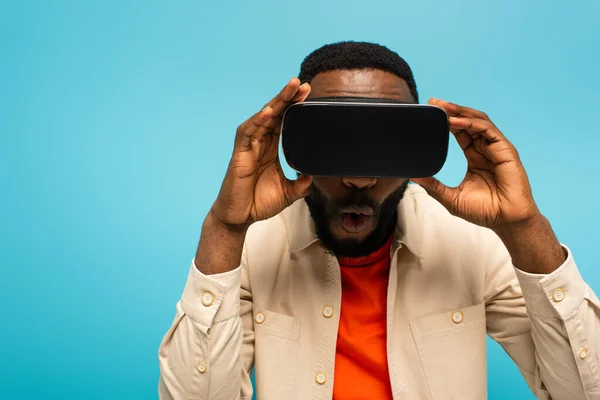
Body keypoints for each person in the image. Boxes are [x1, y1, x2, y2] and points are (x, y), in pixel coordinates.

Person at [158, 41, 600, 400]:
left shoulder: (472, 244)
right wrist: (224, 228)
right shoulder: (251, 248)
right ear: (293, 143)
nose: (359, 177)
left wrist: (524, 228)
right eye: (334, 147)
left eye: (383, 149)